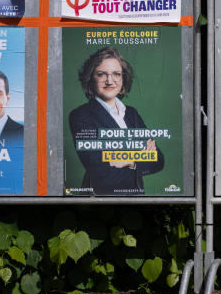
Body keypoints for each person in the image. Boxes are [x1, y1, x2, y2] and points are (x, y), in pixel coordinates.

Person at [68, 46, 163, 195]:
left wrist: (129, 161)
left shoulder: (131, 113)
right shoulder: (81, 116)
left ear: (123, 78)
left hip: (136, 201)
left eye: (116, 74)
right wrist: (140, 156)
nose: (110, 81)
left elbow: (158, 161)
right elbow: (102, 175)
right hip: (101, 202)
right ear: (90, 77)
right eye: (101, 74)